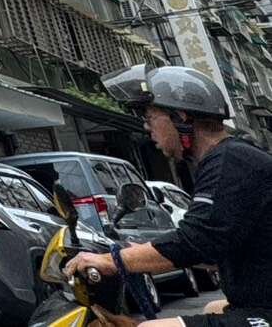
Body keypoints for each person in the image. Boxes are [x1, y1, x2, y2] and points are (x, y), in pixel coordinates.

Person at [63, 63, 272, 327]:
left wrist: (111, 260)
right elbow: (212, 250)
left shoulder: (228, 162)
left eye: (150, 117)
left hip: (265, 309)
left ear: (181, 117)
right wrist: (139, 255)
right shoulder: (229, 157)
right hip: (258, 301)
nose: (147, 128)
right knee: (211, 307)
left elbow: (195, 241)